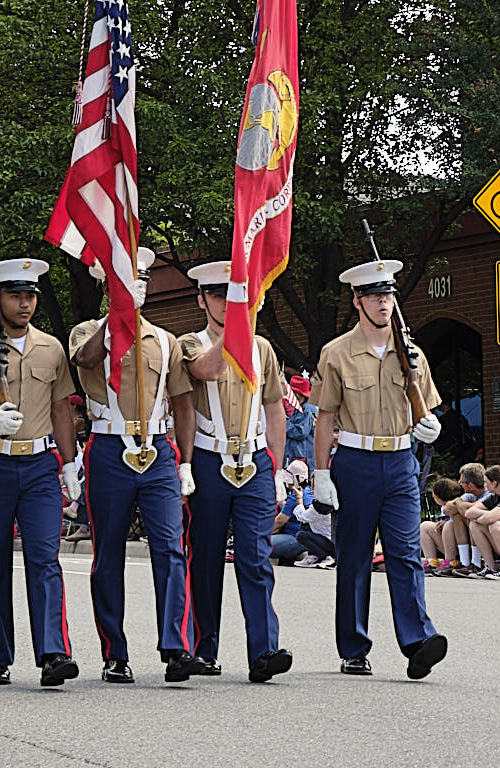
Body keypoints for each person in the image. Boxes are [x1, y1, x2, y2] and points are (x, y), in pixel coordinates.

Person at [70, 247, 202, 685]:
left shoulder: (165, 341)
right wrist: (116, 315)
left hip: (158, 449)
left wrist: (185, 461)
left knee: (170, 548)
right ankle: (115, 653)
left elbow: (183, 403)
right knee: (109, 553)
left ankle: (176, 647)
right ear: (108, 285)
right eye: (127, 280)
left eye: (141, 280)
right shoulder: (88, 331)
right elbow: (87, 360)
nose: (136, 287)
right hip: (110, 448)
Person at [311, 257, 447, 680]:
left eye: (388, 294)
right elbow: (325, 418)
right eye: (373, 296)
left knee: (406, 554)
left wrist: (430, 426)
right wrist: (320, 473)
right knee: (354, 558)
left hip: (401, 461)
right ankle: (354, 648)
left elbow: (425, 407)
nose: (383, 303)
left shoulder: (412, 353)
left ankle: (418, 641)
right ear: (357, 301)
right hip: (356, 461)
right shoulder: (336, 353)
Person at [0, 257, 80, 687]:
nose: (25, 304)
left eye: (30, 296)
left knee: (45, 559)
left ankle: (53, 652)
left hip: (40, 465)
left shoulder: (51, 348)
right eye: (15, 296)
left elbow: (61, 409)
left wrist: (69, 462)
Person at [177, 260, 291, 683]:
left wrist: (276, 468)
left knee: (256, 557)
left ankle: (264, 650)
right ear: (201, 300)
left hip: (254, 461)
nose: (228, 302)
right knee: (205, 558)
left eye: (236, 295)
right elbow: (207, 368)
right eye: (218, 295)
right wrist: (239, 327)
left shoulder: (262, 349)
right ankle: (202, 649)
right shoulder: (190, 343)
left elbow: (274, 409)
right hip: (209, 460)